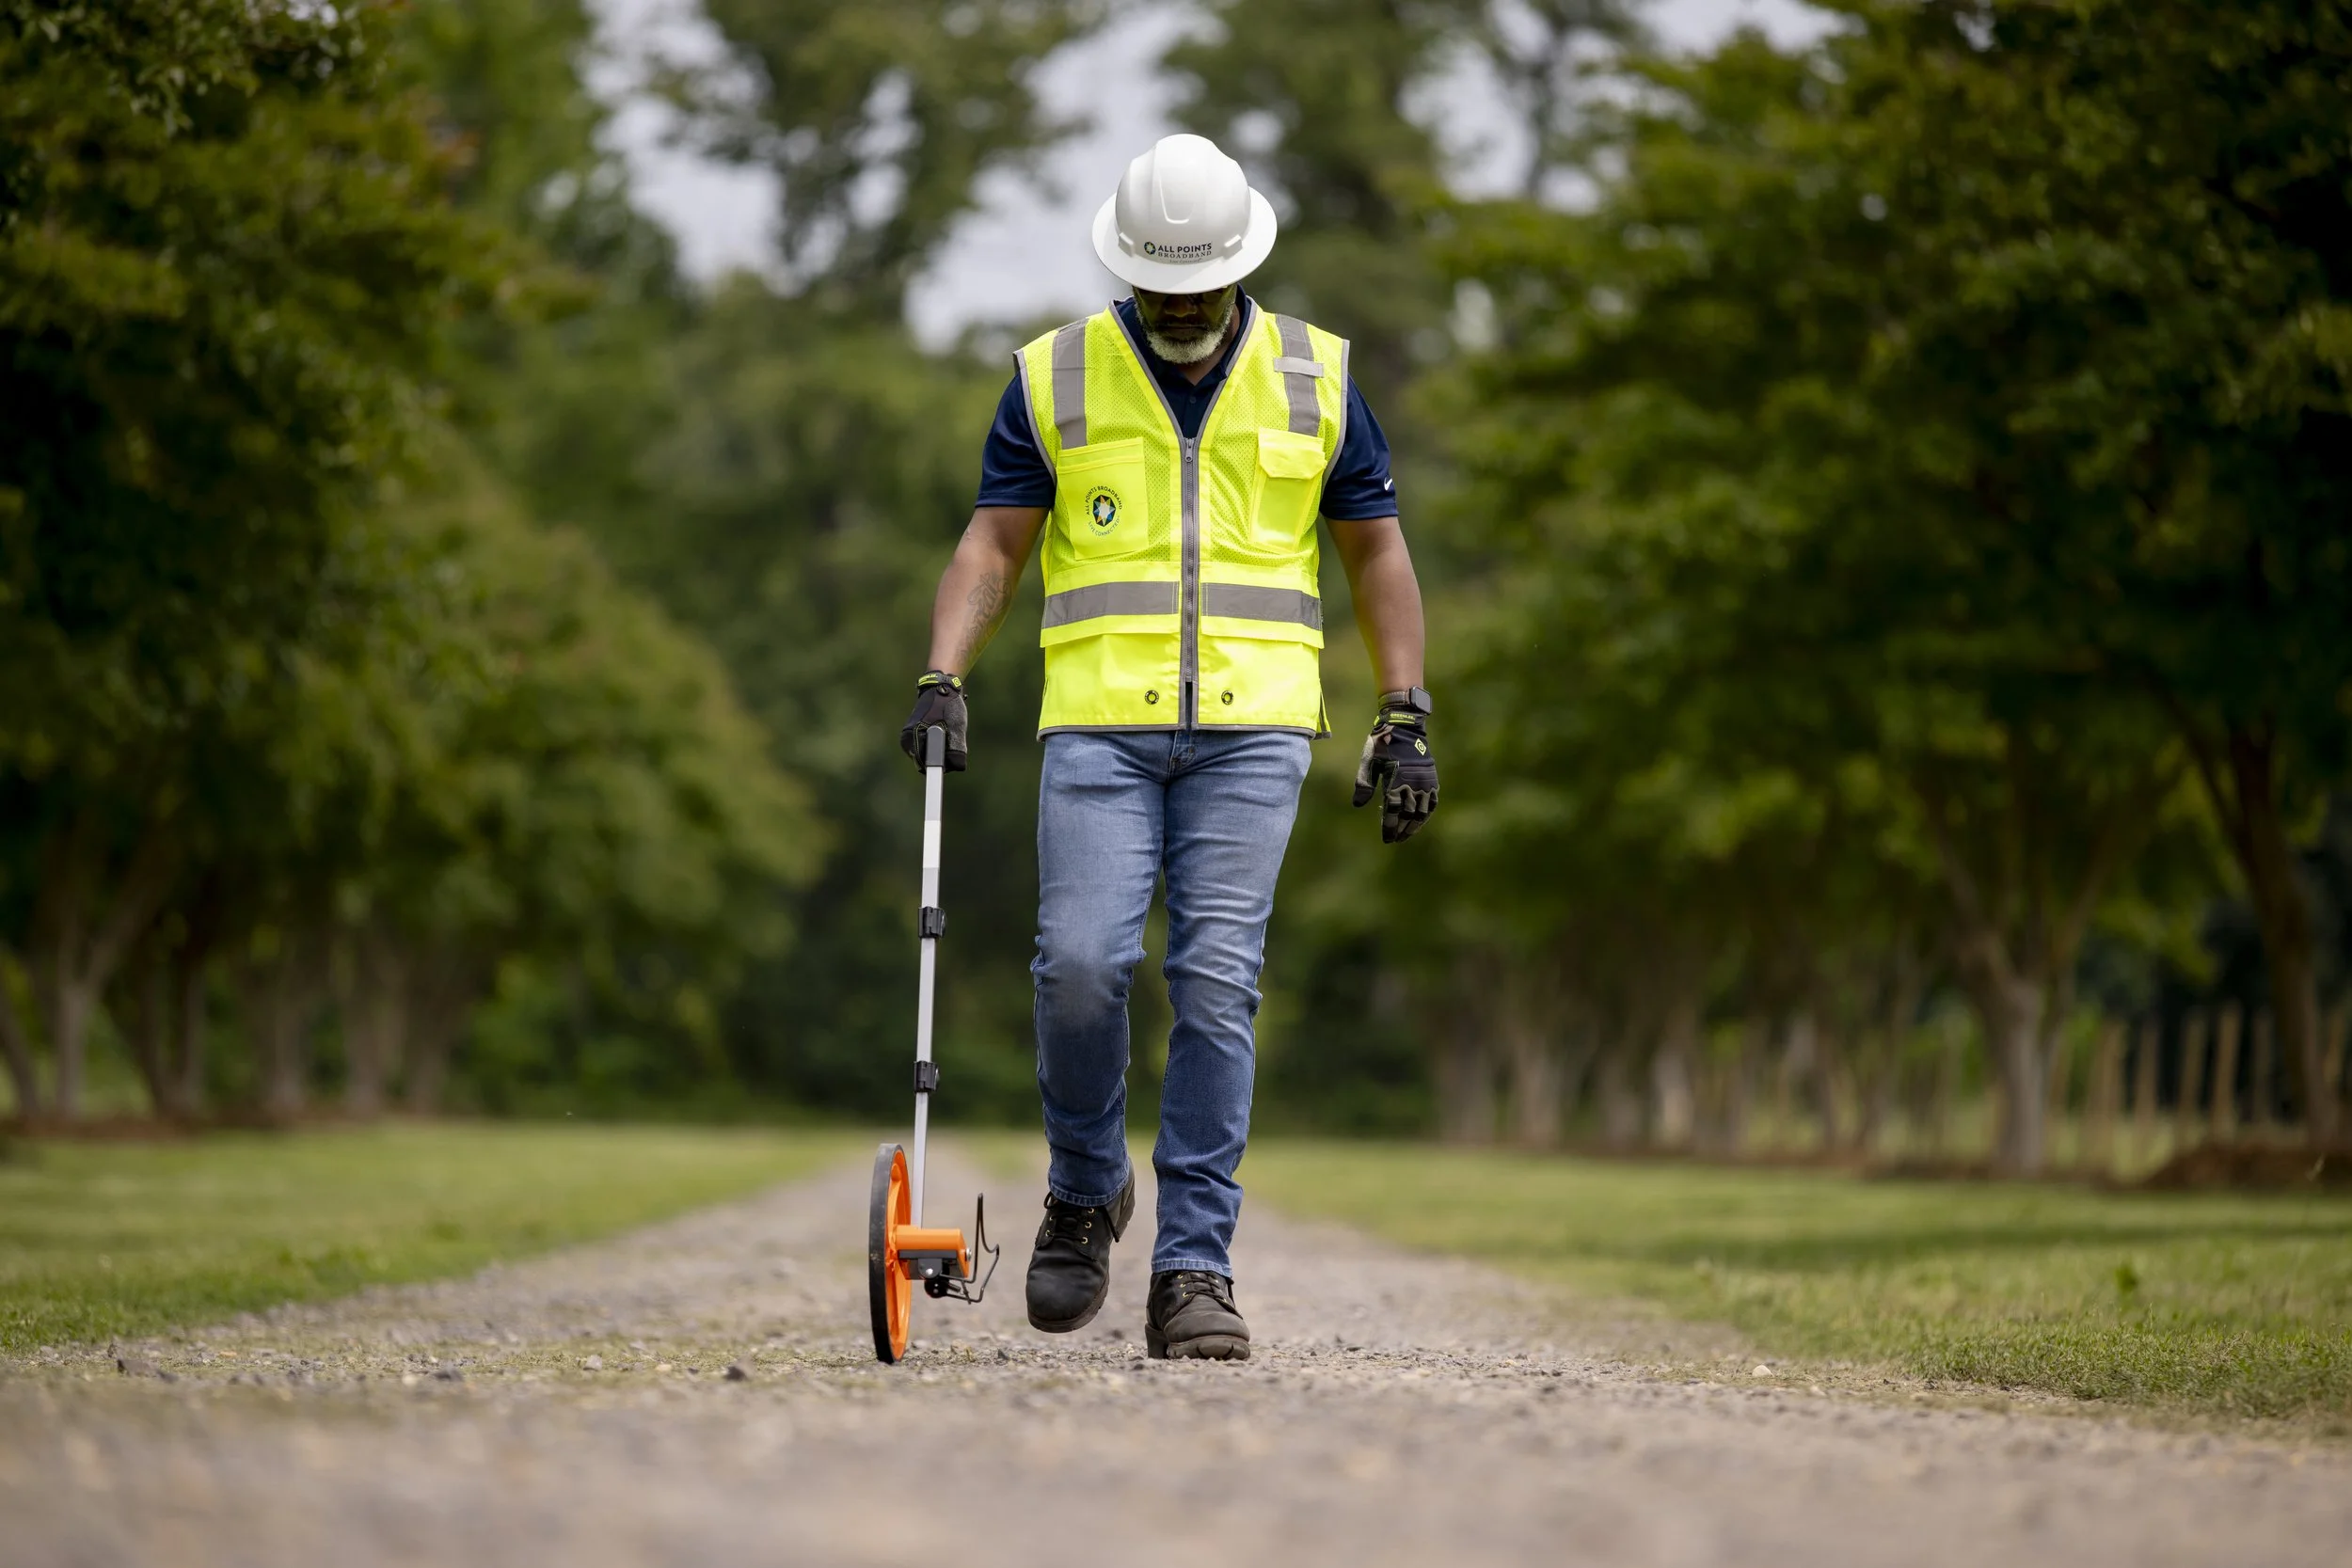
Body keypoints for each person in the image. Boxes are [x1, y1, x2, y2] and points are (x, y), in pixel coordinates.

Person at [898, 133, 1436, 1361]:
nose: (1185, 308)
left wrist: (1404, 707)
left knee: (1215, 982)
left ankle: (1195, 1266)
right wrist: (944, 672)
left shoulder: (1316, 376)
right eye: (1163, 287)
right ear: (1130, 271)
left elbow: (1377, 551)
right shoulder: (1055, 377)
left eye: (1203, 285)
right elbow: (993, 545)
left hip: (1254, 730)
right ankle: (1088, 1190)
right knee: (1080, 964)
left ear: (1239, 263)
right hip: (1099, 723)